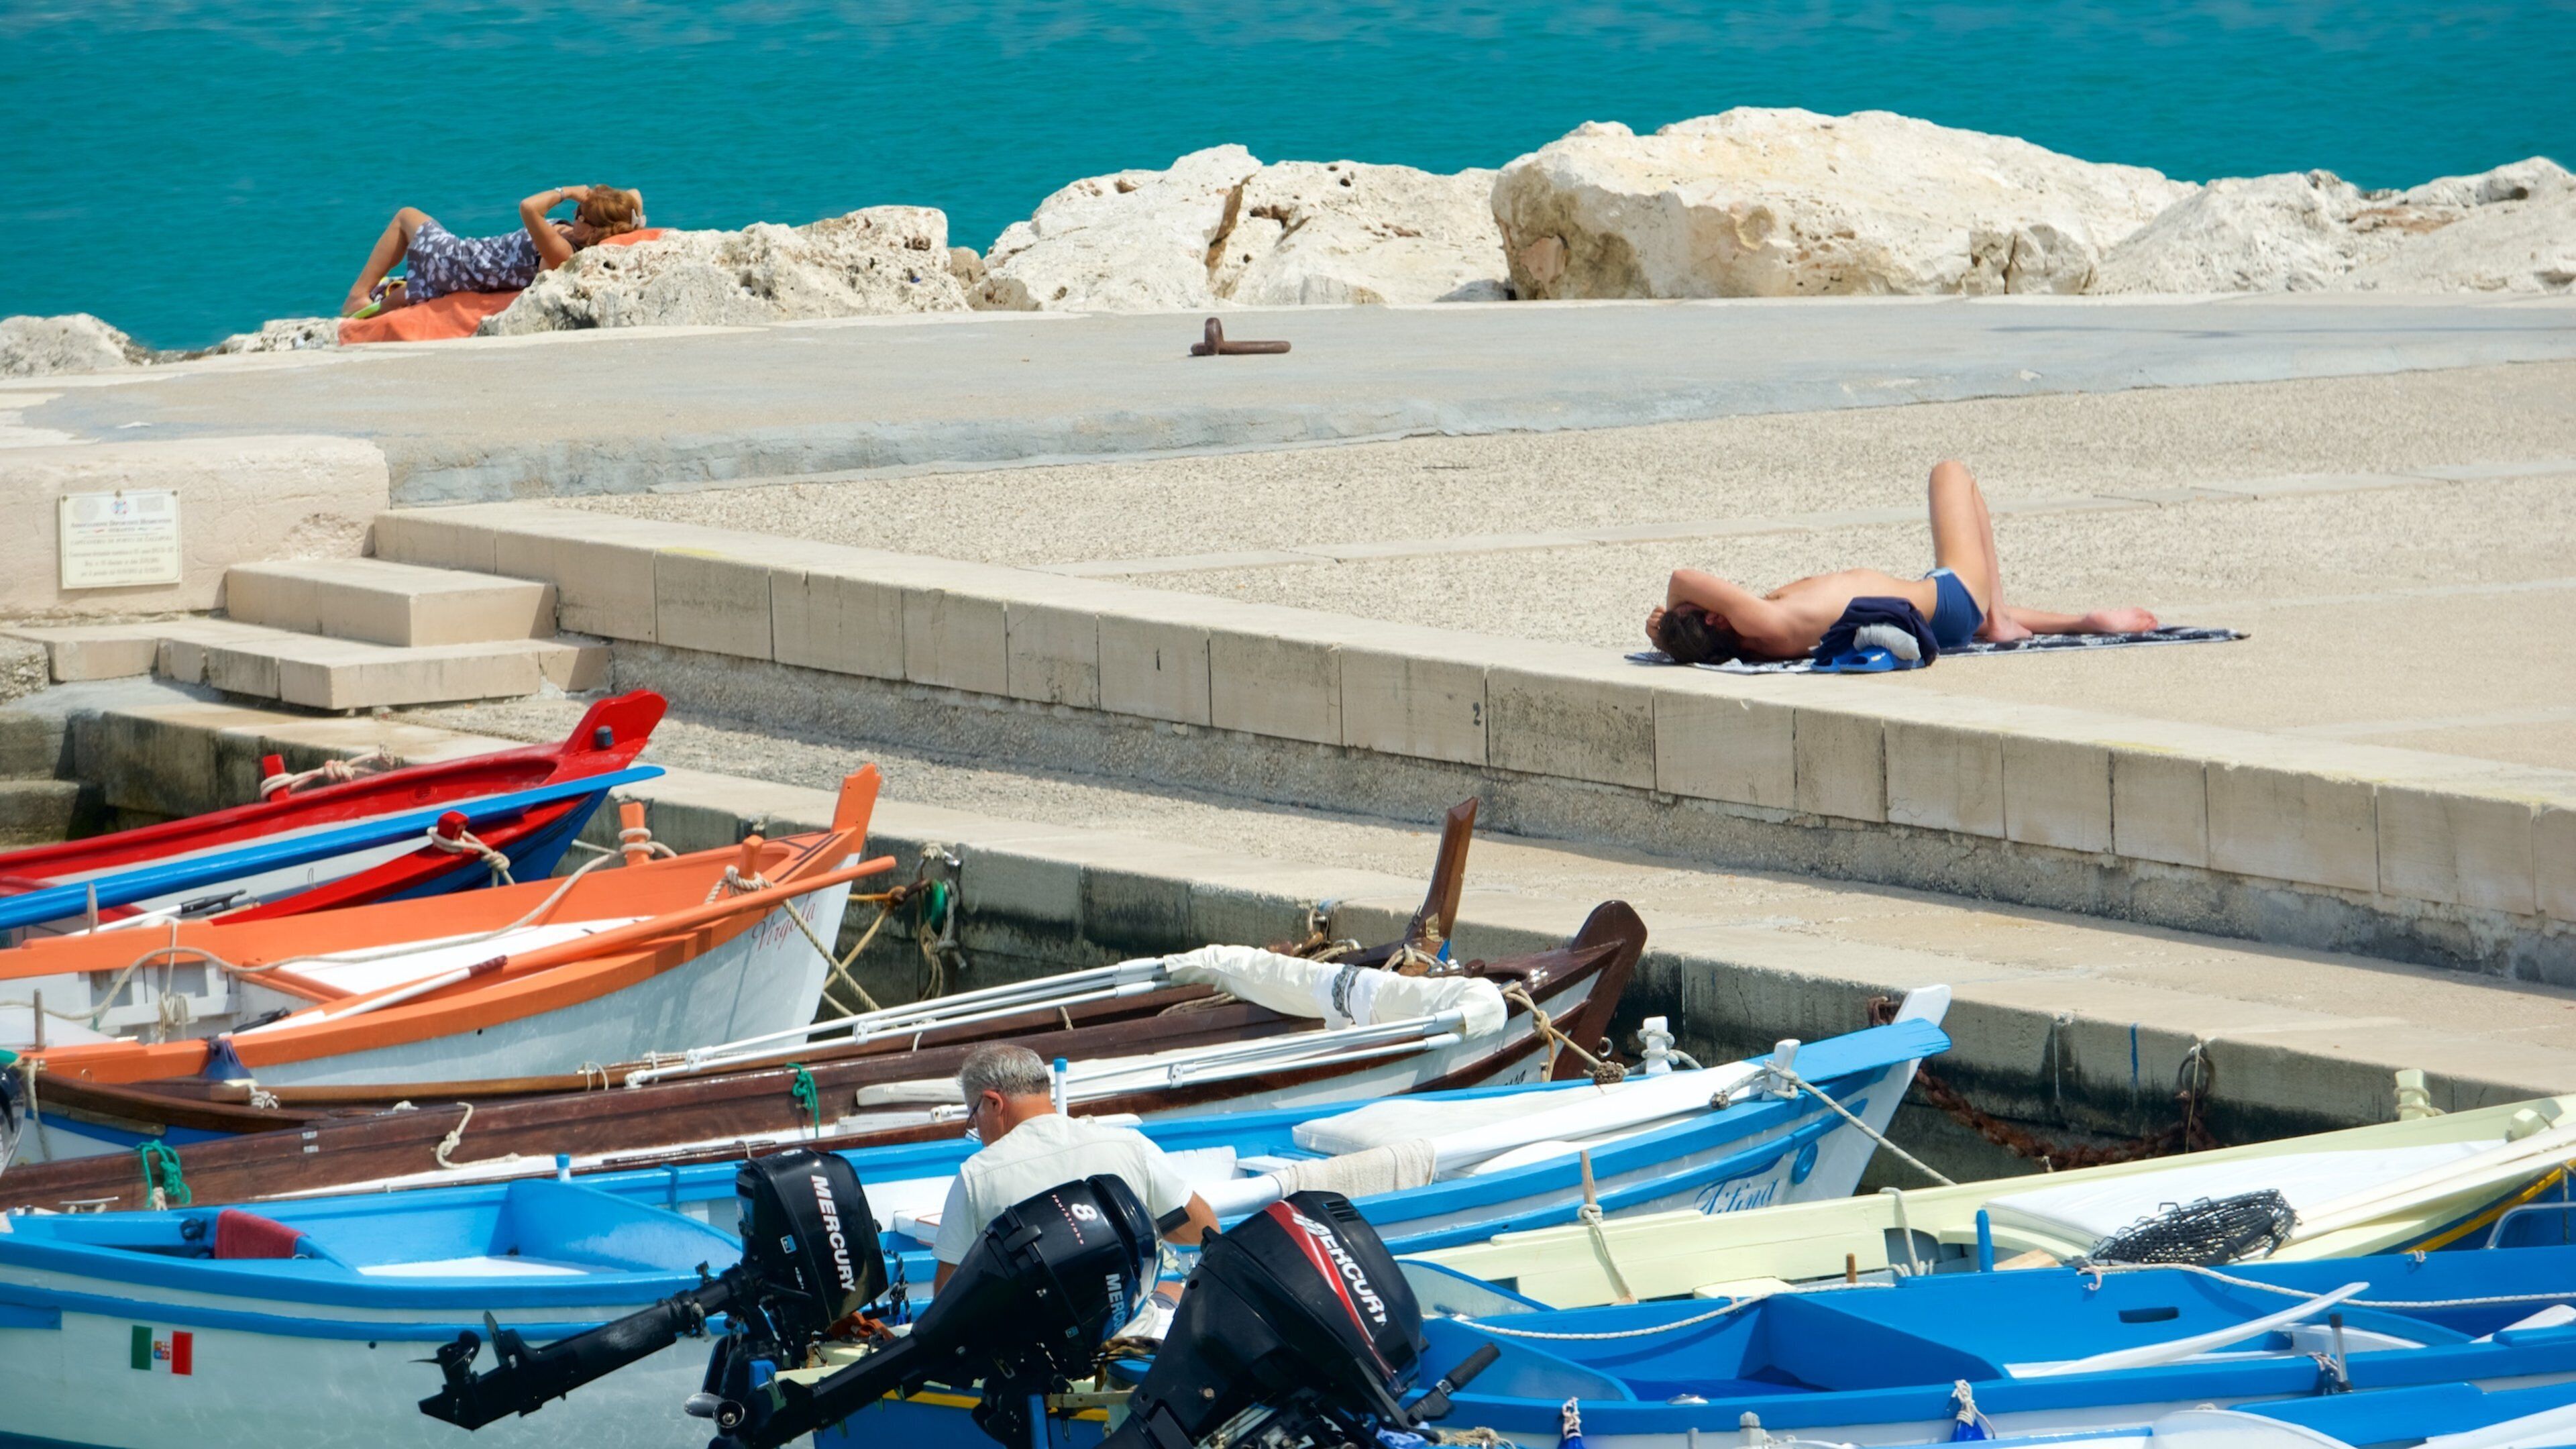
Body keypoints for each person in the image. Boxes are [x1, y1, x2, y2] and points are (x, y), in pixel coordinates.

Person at [1646, 460, 2160, 664]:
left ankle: (2077, 621)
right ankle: (1998, 617)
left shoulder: (1758, 643)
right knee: (1951, 474)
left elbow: (1690, 610)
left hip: (1945, 613)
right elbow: (1680, 578)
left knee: (1954, 602)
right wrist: (1665, 621)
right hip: (1954, 598)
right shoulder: (1761, 620)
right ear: (1714, 617)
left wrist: (1671, 635)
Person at [930, 1044, 1220, 1289]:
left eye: (974, 1117)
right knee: (1172, 1291)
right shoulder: (1130, 1146)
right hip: (1131, 1339)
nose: (978, 1132)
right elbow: (1203, 1230)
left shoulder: (977, 1177)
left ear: (993, 1103)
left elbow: (946, 1301)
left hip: (1037, 1352)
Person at [339, 184, 645, 317]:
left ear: (592, 231)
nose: (576, 212)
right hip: (471, 267)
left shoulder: (561, 251)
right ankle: (379, 308)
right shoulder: (585, 235)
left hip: (461, 262)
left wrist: (565, 193)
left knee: (407, 216)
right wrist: (613, 209)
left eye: (581, 214)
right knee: (405, 297)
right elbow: (634, 196)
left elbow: (528, 207)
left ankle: (358, 296)